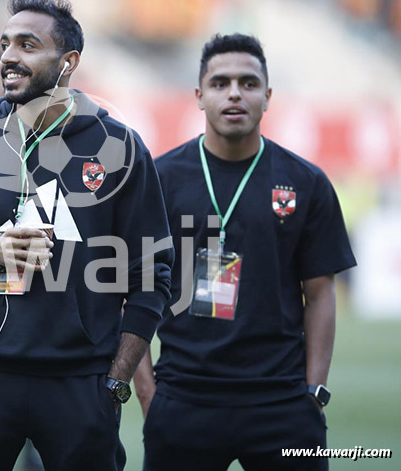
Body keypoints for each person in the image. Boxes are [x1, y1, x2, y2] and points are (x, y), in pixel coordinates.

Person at [0, 0, 173, 471]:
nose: (10, 56)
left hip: (80, 381)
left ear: (69, 61)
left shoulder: (120, 147)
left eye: (28, 45)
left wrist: (117, 378)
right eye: (5, 44)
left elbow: (152, 275)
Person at [136, 33, 357, 470]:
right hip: (184, 398)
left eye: (248, 83)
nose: (234, 93)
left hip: (282, 401)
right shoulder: (159, 180)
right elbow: (134, 292)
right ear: (199, 96)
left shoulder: (306, 182)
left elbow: (320, 295)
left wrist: (314, 391)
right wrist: (149, 396)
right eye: (220, 83)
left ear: (268, 96)